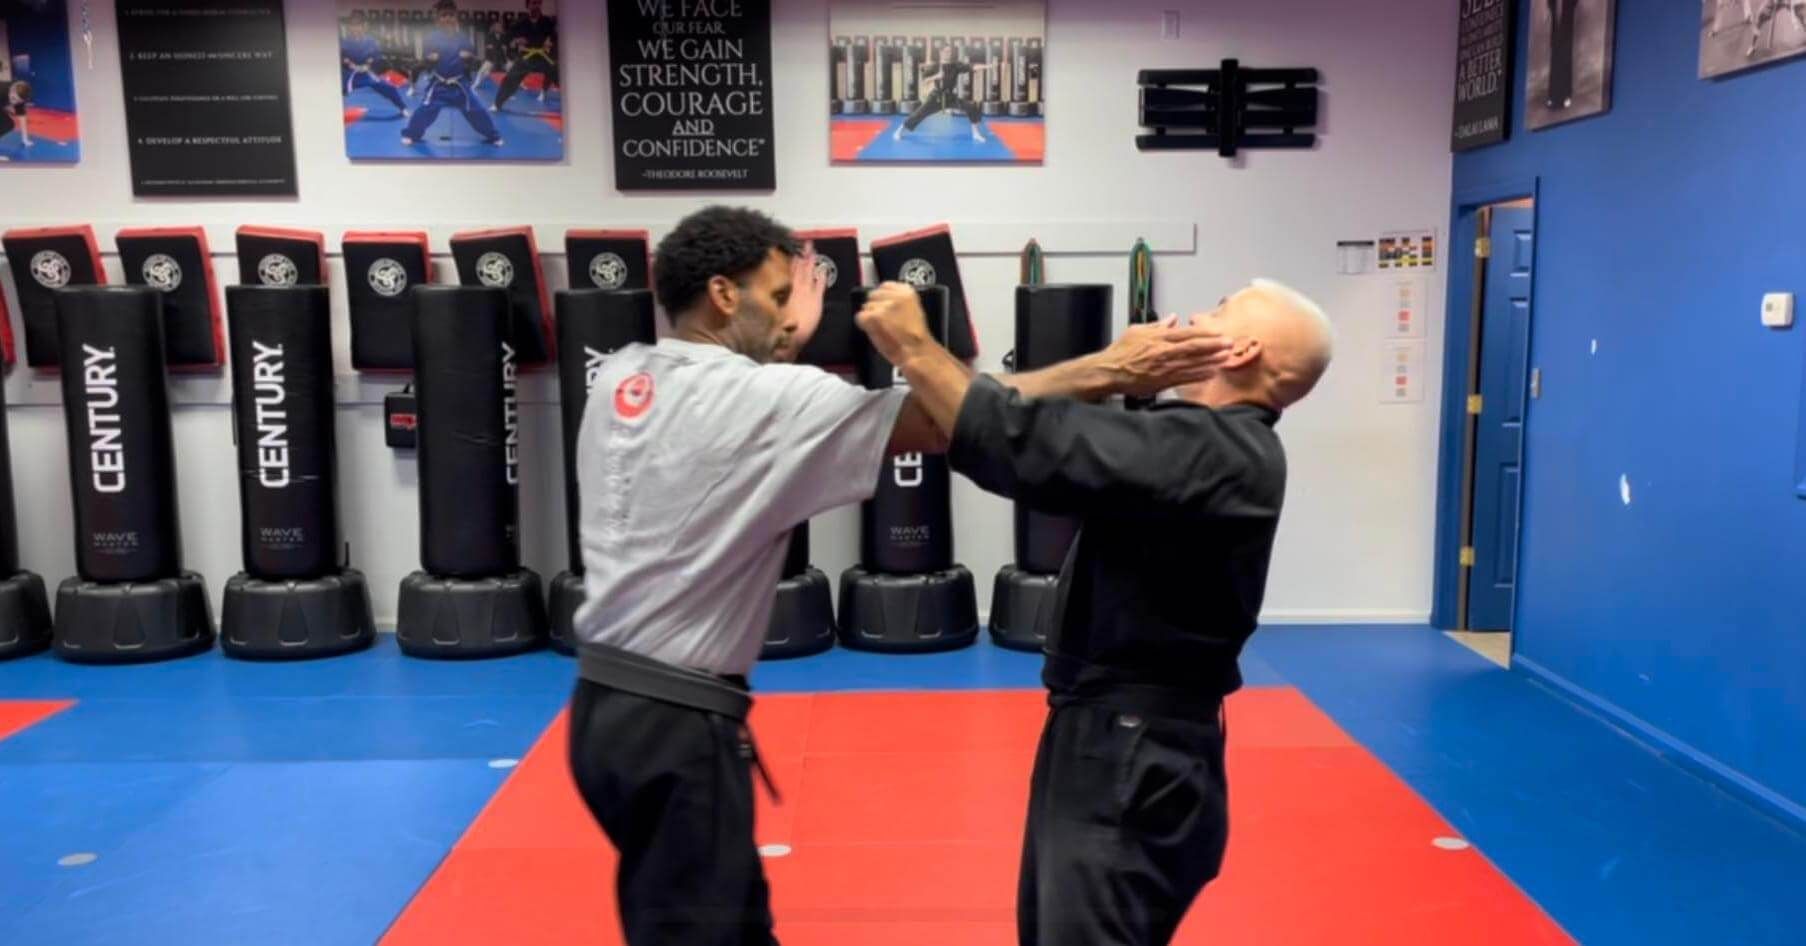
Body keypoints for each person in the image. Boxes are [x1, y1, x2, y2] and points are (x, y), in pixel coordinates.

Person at [565, 206, 1227, 945]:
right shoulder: (765, 401)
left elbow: (730, 404)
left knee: (719, 922)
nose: (793, 319)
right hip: (677, 729)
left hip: (600, 712)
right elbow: (959, 419)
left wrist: (783, 330)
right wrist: (1113, 367)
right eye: (781, 297)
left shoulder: (623, 372)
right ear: (725, 294)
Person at [855, 277, 1335, 946]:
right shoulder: (1204, 446)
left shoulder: (1215, 449)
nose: (1194, 313)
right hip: (1125, 740)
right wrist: (1118, 376)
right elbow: (1062, 435)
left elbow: (1016, 444)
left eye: (1216, 309)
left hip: (1131, 752)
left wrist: (912, 344)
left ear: (1240, 349)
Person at [400, 0, 504, 149]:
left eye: (451, 15)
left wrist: (468, 56)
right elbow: (425, 59)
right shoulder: (431, 38)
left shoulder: (463, 38)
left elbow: (473, 59)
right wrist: (430, 58)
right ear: (437, 20)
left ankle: (494, 136)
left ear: (456, 18)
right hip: (439, 85)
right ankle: (410, 134)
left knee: (476, 110)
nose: (447, 19)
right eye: (443, 15)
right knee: (425, 110)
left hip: (460, 86)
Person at [895, 42, 992, 143]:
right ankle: (899, 131)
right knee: (919, 114)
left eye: (949, 51)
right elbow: (924, 81)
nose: (948, 53)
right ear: (941, 52)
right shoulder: (935, 66)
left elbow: (972, 67)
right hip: (936, 97)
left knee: (970, 107)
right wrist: (936, 76)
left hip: (950, 97)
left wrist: (987, 66)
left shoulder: (955, 65)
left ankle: (976, 133)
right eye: (946, 51)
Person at [491, 0, 558, 112]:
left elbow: (555, 37)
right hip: (526, 56)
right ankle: (497, 104)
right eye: (533, 3)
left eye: (538, 3)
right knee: (510, 79)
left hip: (542, 56)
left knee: (558, 73)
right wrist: (517, 40)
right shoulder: (520, 22)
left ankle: (573, 102)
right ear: (528, 6)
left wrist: (550, 42)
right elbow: (506, 38)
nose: (536, 6)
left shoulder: (547, 21)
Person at [341, 11, 411, 118]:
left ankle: (403, 108)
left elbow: (375, 55)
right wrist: (348, 63)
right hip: (351, 74)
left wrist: (368, 64)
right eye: (353, 25)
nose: (356, 28)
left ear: (363, 27)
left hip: (366, 73)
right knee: (338, 90)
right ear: (350, 27)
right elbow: (342, 57)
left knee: (388, 88)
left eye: (358, 25)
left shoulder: (370, 41)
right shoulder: (344, 42)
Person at [0, 78, 33, 157]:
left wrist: (25, 139)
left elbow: (22, 118)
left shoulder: (19, 99)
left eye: (17, 100)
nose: (14, 102)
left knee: (9, 125)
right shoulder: (2, 90)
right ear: (12, 90)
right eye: (13, 98)